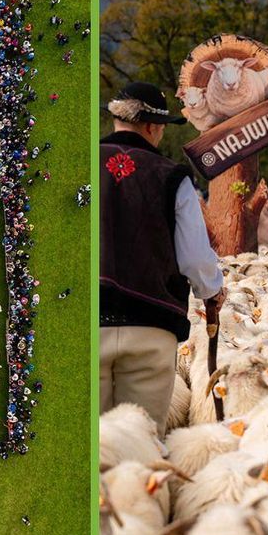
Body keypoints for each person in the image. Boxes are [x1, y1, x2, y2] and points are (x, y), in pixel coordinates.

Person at [100, 82, 224, 434]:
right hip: (150, 325)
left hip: (89, 322)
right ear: (153, 127)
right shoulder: (172, 177)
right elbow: (195, 256)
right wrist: (212, 292)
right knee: (139, 442)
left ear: (116, 121)